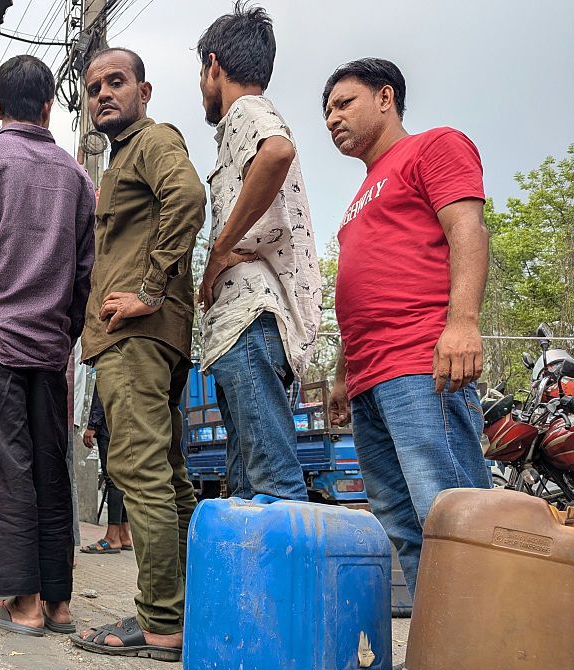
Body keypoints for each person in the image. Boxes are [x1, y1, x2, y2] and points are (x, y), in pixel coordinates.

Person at [322, 58, 492, 597]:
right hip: (372, 380)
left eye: (343, 103)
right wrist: (345, 375)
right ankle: (436, 657)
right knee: (405, 527)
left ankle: (478, 662)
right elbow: (360, 294)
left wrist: (462, 323)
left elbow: (468, 229)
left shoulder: (434, 146)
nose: (332, 119)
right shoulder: (358, 199)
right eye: (326, 112)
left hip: (422, 364)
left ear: (385, 98)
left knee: (450, 518)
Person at [0, 55, 96, 637]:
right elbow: (85, 271)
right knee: (49, 469)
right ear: (49, 107)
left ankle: (21, 603)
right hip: (50, 343)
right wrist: (65, 333)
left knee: (4, 467)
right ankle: (58, 603)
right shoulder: (77, 177)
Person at [70, 48, 206, 661]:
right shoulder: (120, 157)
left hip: (138, 336)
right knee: (168, 475)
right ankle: (180, 609)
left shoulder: (153, 141)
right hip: (150, 339)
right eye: (94, 85)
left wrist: (149, 290)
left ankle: (158, 620)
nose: (103, 93)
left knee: (141, 471)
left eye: (116, 82)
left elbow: (188, 197)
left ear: (144, 91)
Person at [195, 6, 321, 503]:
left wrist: (219, 250)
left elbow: (277, 152)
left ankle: (287, 583)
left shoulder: (248, 110)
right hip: (242, 328)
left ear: (213, 66)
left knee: (273, 484)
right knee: (247, 490)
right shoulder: (236, 127)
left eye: (201, 77)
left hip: (251, 320)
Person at [79, 386, 133, 554]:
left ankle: (112, 537)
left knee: (113, 480)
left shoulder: (107, 360)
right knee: (121, 480)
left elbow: (103, 389)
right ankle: (124, 534)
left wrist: (93, 424)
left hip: (109, 425)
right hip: (124, 422)